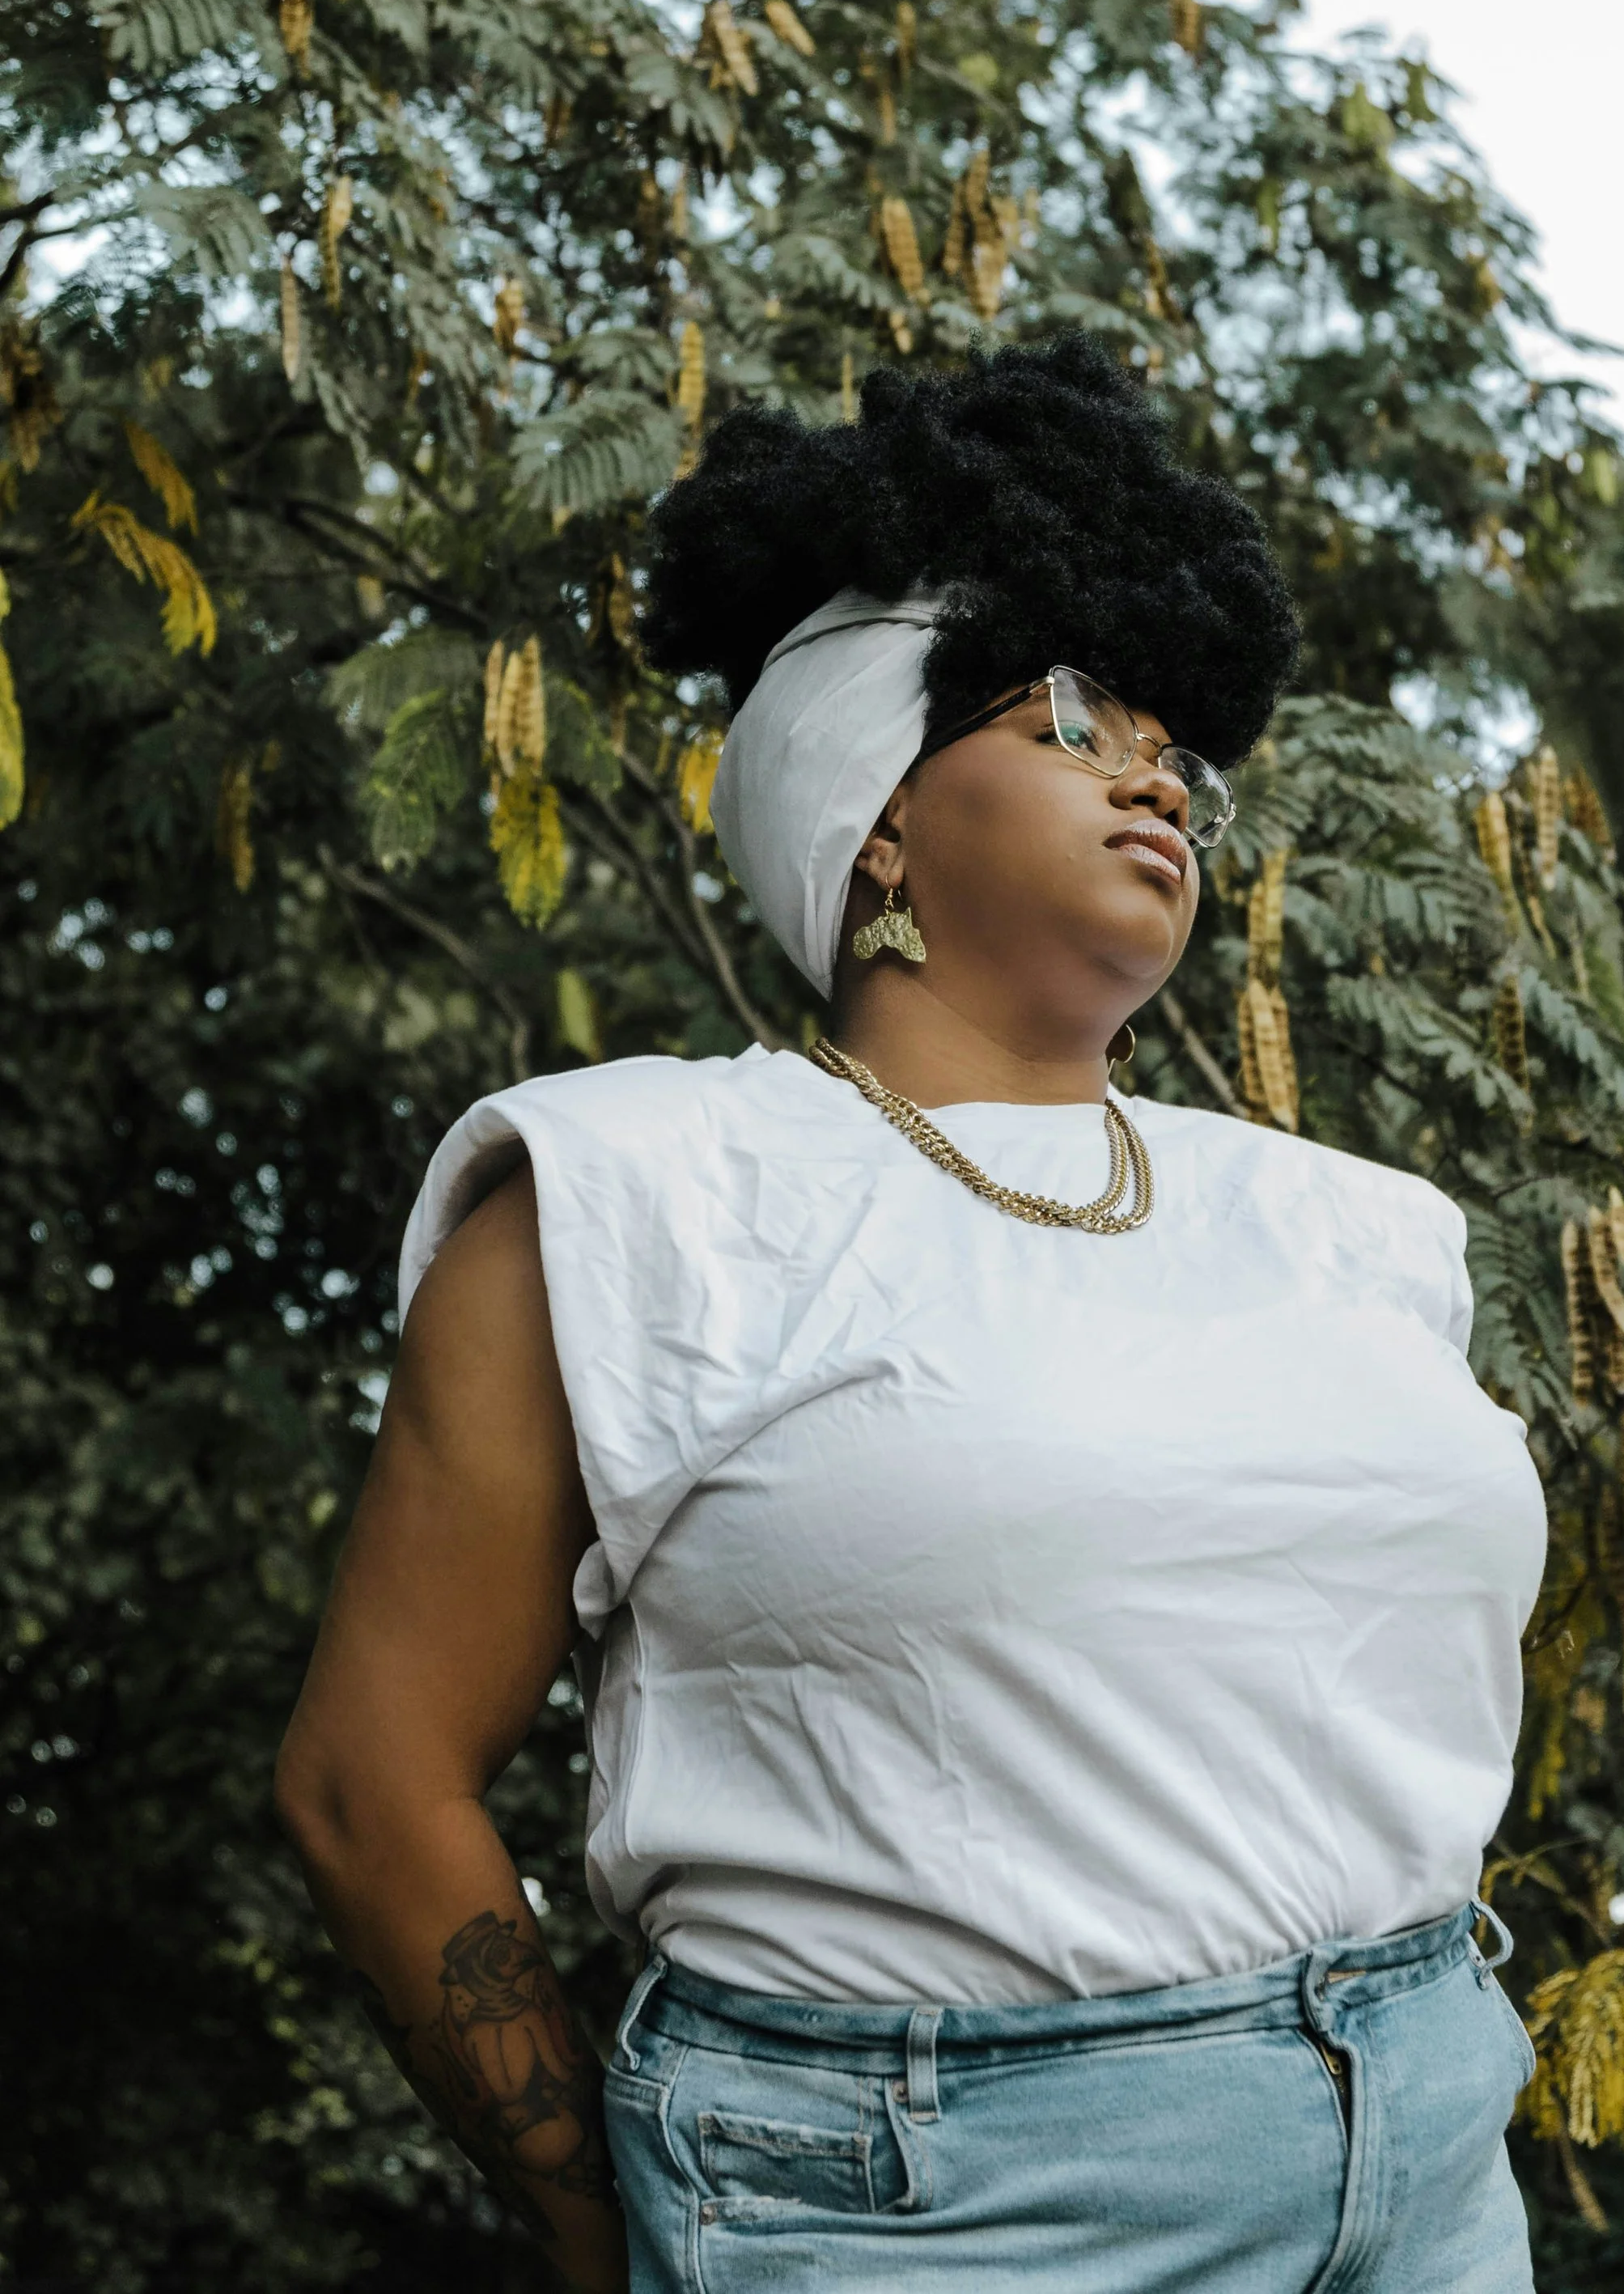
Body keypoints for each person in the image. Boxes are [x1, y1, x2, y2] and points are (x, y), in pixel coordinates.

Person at [276, 337, 1548, 2294]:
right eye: (1065, 715)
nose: (1150, 771)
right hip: (934, 2212)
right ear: (871, 808)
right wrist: (612, 2226)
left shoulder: (1359, 1226)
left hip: (1432, 2150)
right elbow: (372, 1779)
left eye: (1170, 744)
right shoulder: (630, 1194)